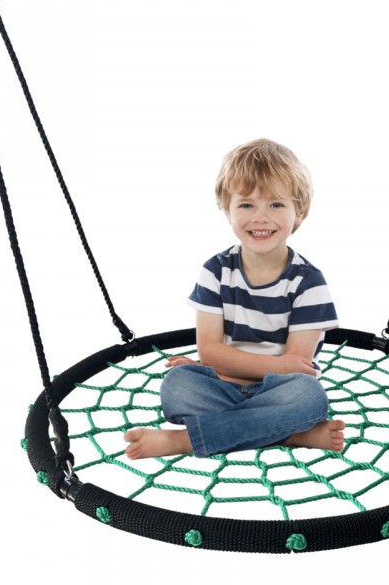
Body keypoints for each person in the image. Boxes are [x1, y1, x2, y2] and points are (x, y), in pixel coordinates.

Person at [124, 138, 345, 459]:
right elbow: (210, 351)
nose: (261, 217)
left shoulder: (309, 282)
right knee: (177, 385)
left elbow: (296, 370)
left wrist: (222, 364)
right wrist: (211, 369)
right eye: (246, 205)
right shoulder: (215, 271)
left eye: (276, 204)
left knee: (309, 396)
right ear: (226, 209)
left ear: (300, 212)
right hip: (222, 385)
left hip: (279, 391)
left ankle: (185, 441)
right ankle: (291, 435)